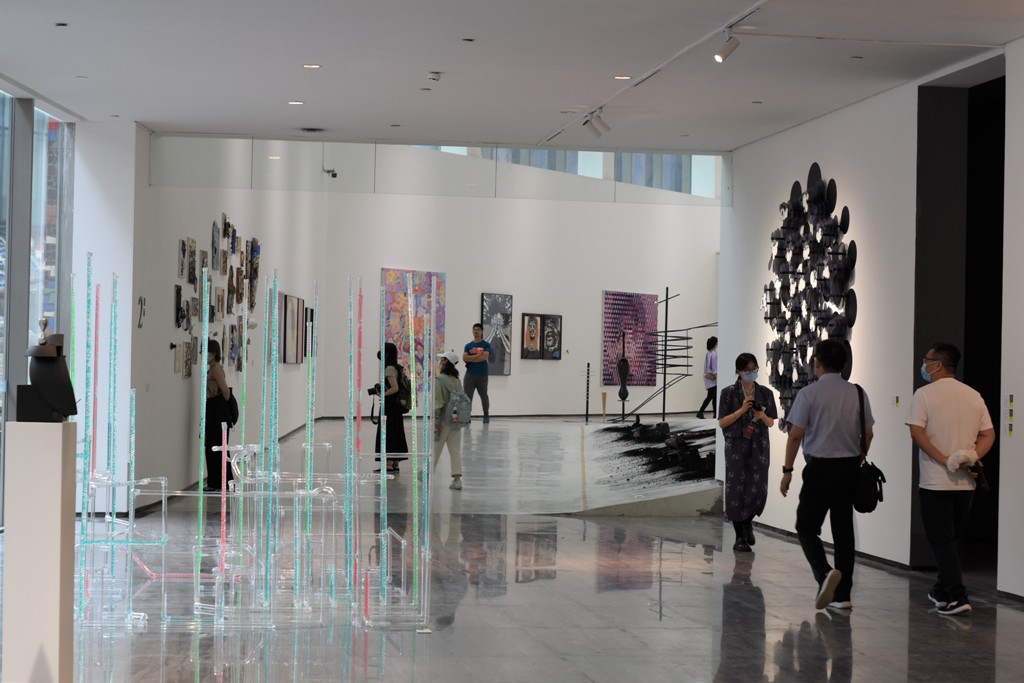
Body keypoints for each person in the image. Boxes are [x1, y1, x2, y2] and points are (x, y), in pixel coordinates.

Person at [780, 339, 874, 611]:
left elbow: (795, 435)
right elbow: (868, 433)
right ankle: (843, 596)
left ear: (817, 363)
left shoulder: (809, 394)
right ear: (844, 364)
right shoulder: (858, 393)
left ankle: (823, 574)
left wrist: (787, 470)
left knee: (806, 527)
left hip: (820, 468)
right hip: (849, 467)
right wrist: (858, 457)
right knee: (844, 531)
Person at [906, 342, 995, 616]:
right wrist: (971, 456)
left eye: (926, 360)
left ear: (937, 365)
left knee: (942, 541)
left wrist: (944, 459)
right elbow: (988, 434)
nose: (924, 364)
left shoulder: (924, 394)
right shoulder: (973, 395)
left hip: (935, 481)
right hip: (965, 484)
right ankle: (942, 591)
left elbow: (916, 432)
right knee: (955, 540)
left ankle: (957, 596)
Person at [718, 352, 777, 551]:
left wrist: (761, 416)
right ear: (738, 371)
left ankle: (747, 521)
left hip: (759, 445)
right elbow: (722, 422)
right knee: (736, 488)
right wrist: (742, 410)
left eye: (754, 369)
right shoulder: (727, 393)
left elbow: (771, 422)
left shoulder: (765, 393)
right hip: (736, 444)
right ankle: (740, 537)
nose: (751, 373)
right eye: (747, 370)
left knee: (759, 488)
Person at [374, 342, 409, 474]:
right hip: (396, 406)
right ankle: (395, 463)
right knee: (396, 432)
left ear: (387, 354)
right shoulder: (397, 367)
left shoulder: (389, 368)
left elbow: (395, 388)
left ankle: (388, 464)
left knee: (387, 433)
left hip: (390, 406)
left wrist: (381, 394)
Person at [204, 339, 232, 491]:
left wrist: (219, 401)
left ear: (213, 353)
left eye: (206, 351)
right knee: (211, 447)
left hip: (218, 412)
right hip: (212, 409)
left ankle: (223, 483)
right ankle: (214, 482)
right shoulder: (211, 369)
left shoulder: (216, 369)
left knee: (218, 447)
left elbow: (226, 391)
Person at [434, 351, 464, 490]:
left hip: (442, 420)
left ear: (446, 362)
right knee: (455, 450)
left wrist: (436, 419)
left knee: (436, 448)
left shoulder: (439, 380)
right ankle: (457, 480)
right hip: (456, 419)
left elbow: (438, 401)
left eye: (442, 359)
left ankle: (427, 475)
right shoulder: (457, 381)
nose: (440, 362)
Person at [463, 323, 491, 423]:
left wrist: (471, 358)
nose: (476, 331)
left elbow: (484, 357)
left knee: (484, 396)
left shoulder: (486, 345)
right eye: (474, 329)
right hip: (469, 374)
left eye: (478, 329)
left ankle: (486, 415)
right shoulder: (468, 346)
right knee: (467, 397)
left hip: (482, 374)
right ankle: (467, 416)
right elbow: (464, 358)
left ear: (482, 331)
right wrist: (477, 355)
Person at [697, 336, 718, 419]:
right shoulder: (714, 354)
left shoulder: (708, 353)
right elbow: (714, 367)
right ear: (715, 344)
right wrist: (716, 377)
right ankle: (700, 412)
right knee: (711, 396)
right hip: (712, 378)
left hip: (707, 376)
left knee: (714, 396)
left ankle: (715, 414)